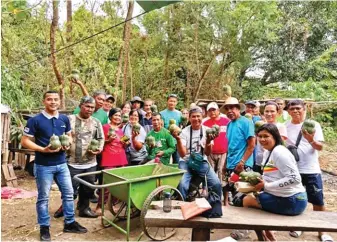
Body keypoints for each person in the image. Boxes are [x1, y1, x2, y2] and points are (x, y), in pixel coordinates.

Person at [21, 91, 87, 241]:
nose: (53, 102)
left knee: (69, 194)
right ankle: (44, 227)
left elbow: (69, 135)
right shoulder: (35, 120)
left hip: (62, 164)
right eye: (49, 99)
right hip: (43, 165)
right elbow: (24, 141)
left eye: (56, 99)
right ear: (44, 101)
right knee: (44, 197)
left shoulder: (64, 118)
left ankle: (69, 222)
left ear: (60, 101)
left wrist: (67, 143)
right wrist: (42, 149)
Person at [242, 123, 307, 241]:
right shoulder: (268, 151)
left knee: (247, 201)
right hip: (281, 196)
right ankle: (268, 234)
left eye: (266, 136)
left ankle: (263, 238)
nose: (262, 139)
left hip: (293, 200)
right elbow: (271, 175)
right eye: (260, 136)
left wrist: (266, 186)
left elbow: (295, 179)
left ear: (275, 137)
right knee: (252, 197)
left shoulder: (280, 152)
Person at [285, 100, 332, 242]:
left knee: (318, 201)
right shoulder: (286, 126)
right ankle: (300, 226)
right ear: (288, 111)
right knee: (298, 200)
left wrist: (311, 140)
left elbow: (320, 147)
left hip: (311, 170)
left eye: (298, 108)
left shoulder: (313, 125)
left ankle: (322, 232)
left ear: (304, 108)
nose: (295, 111)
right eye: (292, 109)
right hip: (293, 170)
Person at [53, 96, 104, 219]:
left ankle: (84, 208)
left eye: (92, 107)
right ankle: (65, 207)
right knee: (69, 188)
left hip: (90, 163)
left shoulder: (96, 122)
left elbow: (100, 138)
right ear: (80, 106)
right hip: (71, 162)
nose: (90, 109)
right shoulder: (69, 120)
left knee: (87, 188)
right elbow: (61, 135)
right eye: (87, 106)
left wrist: (99, 148)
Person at [172, 106, 222, 203]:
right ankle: (182, 206)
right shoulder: (184, 132)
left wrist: (208, 141)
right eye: (193, 116)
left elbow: (207, 153)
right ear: (189, 118)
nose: (196, 119)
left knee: (216, 184)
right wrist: (178, 139)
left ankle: (216, 206)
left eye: (198, 116)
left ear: (202, 117)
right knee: (182, 185)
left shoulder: (208, 131)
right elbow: (182, 154)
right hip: (186, 162)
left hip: (201, 161)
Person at [222, 97, 255, 240]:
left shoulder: (247, 122)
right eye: (227, 109)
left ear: (238, 108)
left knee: (243, 196)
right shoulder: (229, 125)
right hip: (231, 166)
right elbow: (230, 147)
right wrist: (224, 165)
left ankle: (244, 229)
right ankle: (239, 224)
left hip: (242, 166)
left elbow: (251, 144)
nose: (230, 111)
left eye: (232, 108)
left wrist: (242, 162)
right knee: (233, 196)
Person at [95, 108, 128, 215]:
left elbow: (123, 143)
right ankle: (100, 206)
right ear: (110, 116)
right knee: (107, 184)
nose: (118, 117)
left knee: (120, 184)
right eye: (116, 115)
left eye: (119, 115)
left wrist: (126, 143)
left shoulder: (120, 130)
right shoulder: (105, 127)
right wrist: (108, 140)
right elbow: (99, 142)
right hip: (109, 158)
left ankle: (112, 204)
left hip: (121, 158)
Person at [254, 101, 288, 173]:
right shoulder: (260, 126)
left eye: (272, 111)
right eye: (267, 111)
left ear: (278, 113)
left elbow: (280, 145)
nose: (269, 114)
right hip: (259, 161)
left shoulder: (280, 127)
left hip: (272, 163)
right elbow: (256, 143)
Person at [203, 102, 230, 181]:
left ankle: (221, 190)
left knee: (221, 171)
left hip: (223, 152)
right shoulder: (205, 123)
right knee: (210, 172)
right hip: (210, 152)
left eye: (214, 110)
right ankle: (211, 190)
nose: (212, 112)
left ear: (218, 111)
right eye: (210, 111)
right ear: (207, 112)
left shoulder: (227, 121)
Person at [160, 94, 182, 163]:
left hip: (176, 142)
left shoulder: (179, 114)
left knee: (177, 162)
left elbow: (181, 127)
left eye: (174, 101)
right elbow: (161, 128)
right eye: (170, 101)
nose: (172, 103)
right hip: (166, 141)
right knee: (164, 161)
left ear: (176, 103)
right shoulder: (162, 113)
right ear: (167, 102)